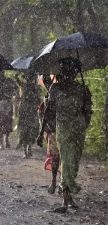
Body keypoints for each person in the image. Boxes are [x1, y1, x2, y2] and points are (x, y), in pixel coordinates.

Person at [37, 57, 92, 213]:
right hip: (63, 130)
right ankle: (65, 200)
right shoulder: (55, 89)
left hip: (78, 131)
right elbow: (48, 111)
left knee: (73, 163)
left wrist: (84, 123)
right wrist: (41, 133)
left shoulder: (82, 90)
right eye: (67, 71)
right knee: (66, 161)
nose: (69, 74)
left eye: (71, 71)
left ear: (75, 73)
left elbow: (88, 111)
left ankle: (68, 195)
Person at [37, 74, 59, 194]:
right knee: (56, 158)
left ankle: (60, 183)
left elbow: (44, 115)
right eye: (45, 82)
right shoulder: (48, 96)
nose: (47, 84)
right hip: (53, 131)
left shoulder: (56, 92)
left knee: (62, 158)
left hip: (62, 130)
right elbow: (44, 115)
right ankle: (55, 181)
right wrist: (42, 133)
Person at [16, 72, 41, 158]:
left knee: (28, 131)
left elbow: (38, 100)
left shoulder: (30, 87)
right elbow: (38, 100)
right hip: (27, 111)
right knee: (27, 131)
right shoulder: (29, 86)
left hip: (28, 111)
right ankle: (27, 150)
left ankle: (27, 150)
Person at [0, 70, 18, 149]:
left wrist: (12, 93)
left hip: (6, 102)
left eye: (0, 72)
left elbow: (16, 88)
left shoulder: (8, 80)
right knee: (1, 121)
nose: (0, 73)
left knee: (6, 121)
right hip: (1, 102)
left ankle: (5, 140)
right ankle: (2, 143)